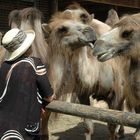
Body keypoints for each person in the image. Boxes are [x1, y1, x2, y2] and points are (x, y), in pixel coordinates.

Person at [0, 28, 55, 140]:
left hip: (3, 124)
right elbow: (49, 96)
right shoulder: (35, 63)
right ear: (27, 47)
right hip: (25, 125)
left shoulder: (3, 66)